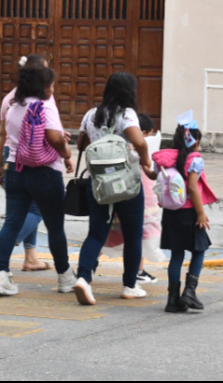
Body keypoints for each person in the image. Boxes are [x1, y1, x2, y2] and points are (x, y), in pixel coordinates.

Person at [0, 64, 77, 297]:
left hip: (16, 170)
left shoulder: (14, 105)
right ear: (42, 85)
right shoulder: (44, 106)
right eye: (50, 84)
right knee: (55, 227)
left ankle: (1, 275)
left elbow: (9, 136)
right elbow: (54, 136)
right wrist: (66, 152)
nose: (52, 88)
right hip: (45, 172)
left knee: (12, 222)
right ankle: (65, 276)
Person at [73, 72, 159, 305]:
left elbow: (81, 144)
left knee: (96, 233)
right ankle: (130, 285)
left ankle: (83, 278)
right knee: (133, 235)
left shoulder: (92, 114)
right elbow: (139, 141)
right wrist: (145, 160)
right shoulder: (127, 114)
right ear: (129, 92)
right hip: (126, 184)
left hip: (98, 183)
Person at [0, 55, 51, 272]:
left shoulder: (9, 98)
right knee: (38, 208)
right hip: (32, 155)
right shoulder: (41, 98)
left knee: (21, 208)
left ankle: (31, 257)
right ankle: (8, 243)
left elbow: (3, 134)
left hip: (10, 154)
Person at [152, 111, 216, 313]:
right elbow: (193, 188)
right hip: (190, 213)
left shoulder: (165, 157)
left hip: (171, 213)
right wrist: (200, 214)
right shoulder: (195, 159)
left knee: (176, 255)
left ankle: (172, 300)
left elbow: (153, 174)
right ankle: (189, 292)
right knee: (199, 250)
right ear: (195, 141)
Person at [138, 112, 165, 284]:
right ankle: (138, 271)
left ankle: (88, 266)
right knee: (140, 234)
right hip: (143, 197)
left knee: (108, 234)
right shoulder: (140, 148)